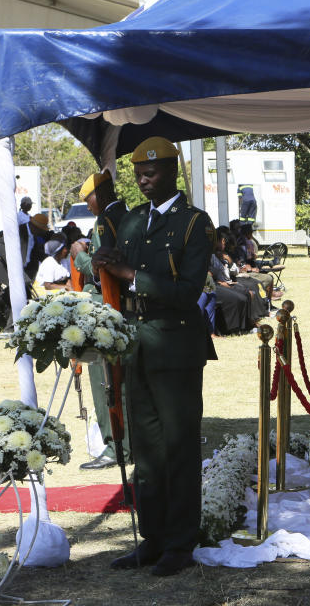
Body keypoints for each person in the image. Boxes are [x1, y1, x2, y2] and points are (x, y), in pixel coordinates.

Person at [93, 136, 215, 577]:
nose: (144, 181)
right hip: (135, 343)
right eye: (139, 174)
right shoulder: (130, 221)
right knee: (145, 449)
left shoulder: (193, 224)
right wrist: (104, 262)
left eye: (152, 173)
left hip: (176, 344)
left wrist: (131, 274)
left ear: (171, 171)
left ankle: (181, 543)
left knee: (178, 447)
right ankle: (154, 538)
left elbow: (187, 293)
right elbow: (116, 272)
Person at [71, 169, 130, 471]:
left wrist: (79, 255)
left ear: (98, 196)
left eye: (89, 200)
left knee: (105, 380)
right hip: (122, 308)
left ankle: (114, 446)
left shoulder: (105, 221)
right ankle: (126, 443)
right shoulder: (126, 215)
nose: (89, 206)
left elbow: (100, 269)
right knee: (122, 381)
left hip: (106, 307)